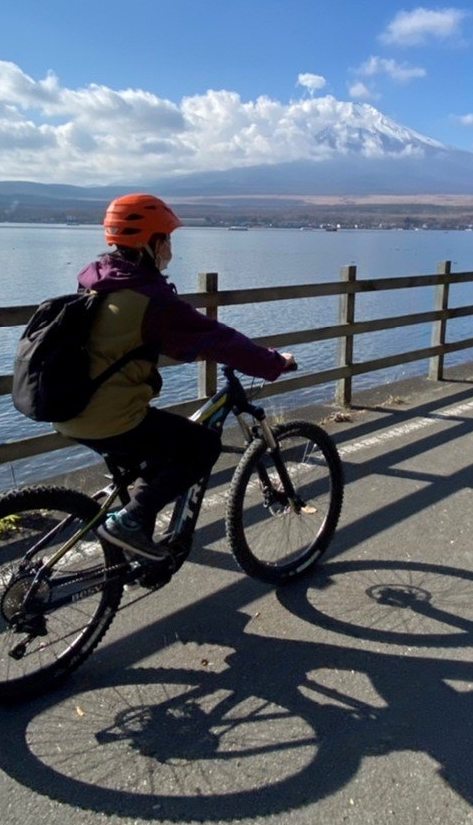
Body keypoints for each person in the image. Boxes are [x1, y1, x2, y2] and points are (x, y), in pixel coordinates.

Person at [53, 193, 295, 560]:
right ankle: (130, 522)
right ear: (150, 242)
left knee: (159, 456)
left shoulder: (99, 279)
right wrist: (273, 362)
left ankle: (134, 554)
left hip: (69, 408)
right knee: (202, 447)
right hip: (110, 416)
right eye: (166, 238)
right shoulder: (149, 298)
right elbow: (217, 340)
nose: (170, 247)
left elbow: (144, 341)